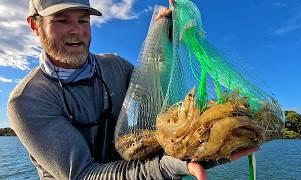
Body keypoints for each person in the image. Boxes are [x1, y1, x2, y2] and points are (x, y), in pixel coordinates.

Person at [8, 0, 259, 179]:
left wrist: (165, 37)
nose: (76, 30)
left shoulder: (115, 66)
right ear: (34, 25)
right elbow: (83, 175)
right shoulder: (27, 100)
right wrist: (167, 167)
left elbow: (157, 94)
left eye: (83, 20)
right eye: (61, 20)